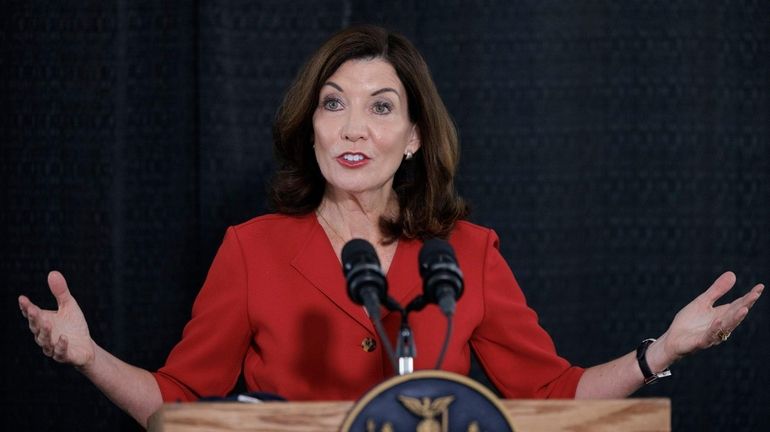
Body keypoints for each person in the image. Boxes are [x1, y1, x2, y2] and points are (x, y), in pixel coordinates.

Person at [18, 25, 764, 429]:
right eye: (333, 102)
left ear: (412, 137)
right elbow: (176, 409)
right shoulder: (251, 249)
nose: (353, 126)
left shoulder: (467, 253)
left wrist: (664, 349)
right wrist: (88, 358)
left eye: (381, 107)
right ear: (310, 125)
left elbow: (553, 394)